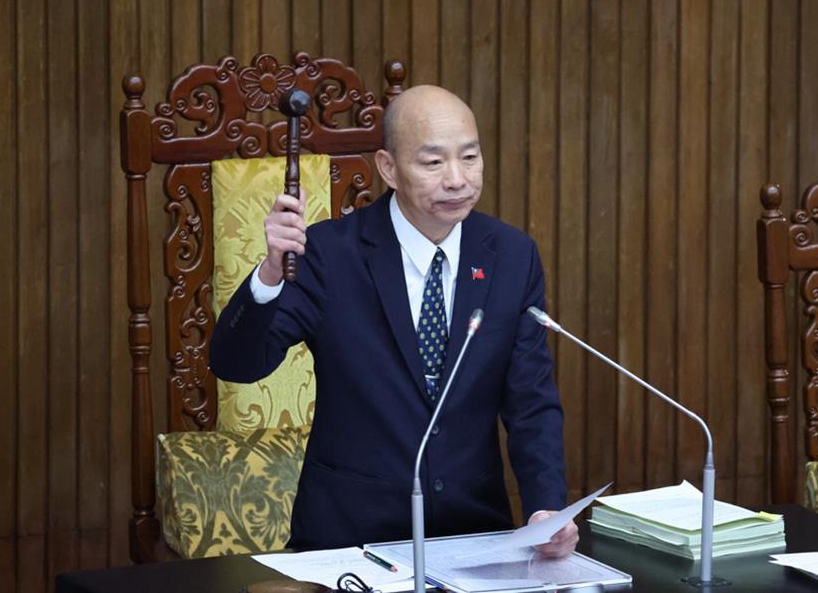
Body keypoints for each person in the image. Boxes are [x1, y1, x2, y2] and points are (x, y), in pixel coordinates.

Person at [210, 85, 578, 558]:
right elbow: (237, 365)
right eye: (433, 162)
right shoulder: (328, 255)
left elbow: (531, 402)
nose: (457, 179)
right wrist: (269, 275)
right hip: (350, 537)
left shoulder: (511, 255)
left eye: (470, 158)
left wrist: (546, 509)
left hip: (472, 535)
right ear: (388, 168)